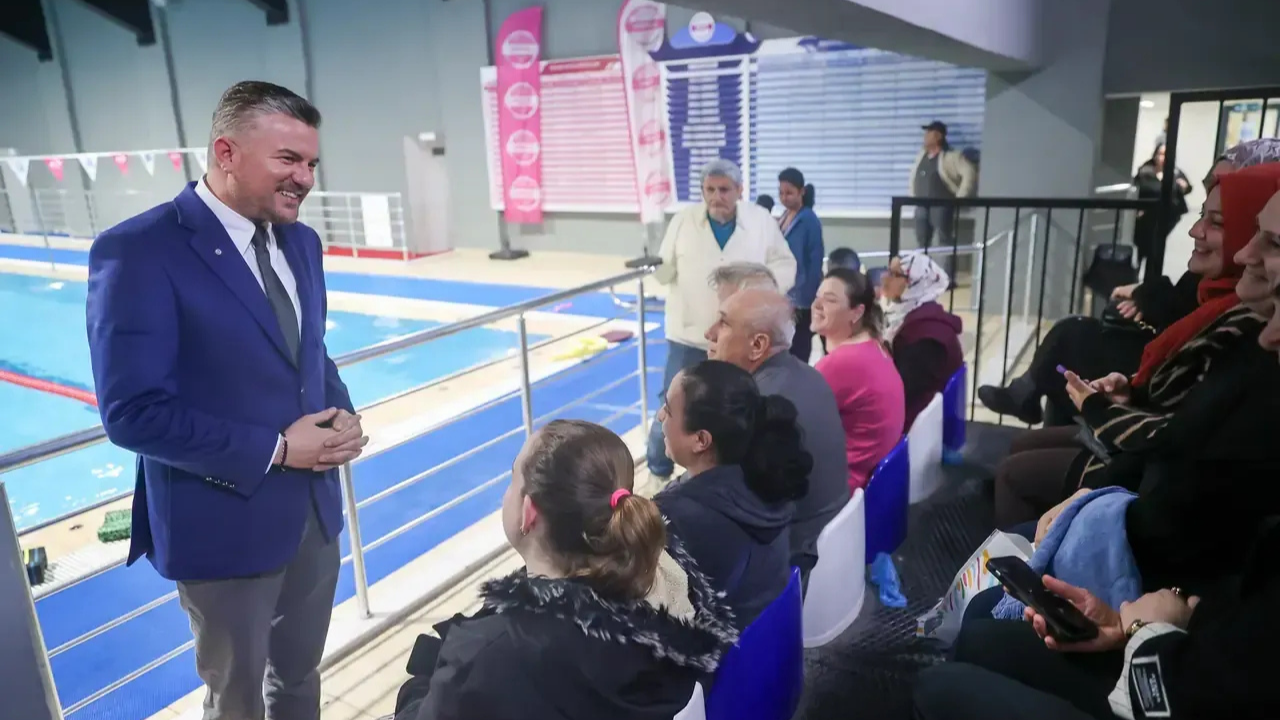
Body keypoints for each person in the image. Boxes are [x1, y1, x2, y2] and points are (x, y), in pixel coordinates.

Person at [85, 81, 369, 720]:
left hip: (313, 514)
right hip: (223, 523)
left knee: (299, 680)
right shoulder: (140, 251)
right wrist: (277, 449)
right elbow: (132, 413)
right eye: (288, 159)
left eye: (311, 163)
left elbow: (310, 351)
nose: (305, 178)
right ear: (227, 152)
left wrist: (342, 413)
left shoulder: (301, 242)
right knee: (236, 701)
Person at [992, 161, 1280, 529]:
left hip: (1145, 483)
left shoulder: (1245, 329)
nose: (1246, 254)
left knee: (1015, 469)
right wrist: (1130, 395)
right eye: (1202, 217)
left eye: (1220, 223)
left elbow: (1176, 447)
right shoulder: (1218, 302)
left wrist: (1099, 411)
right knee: (1021, 443)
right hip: (1143, 462)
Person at [394, 421, 737, 720]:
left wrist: (423, 680)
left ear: (528, 512)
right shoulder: (671, 582)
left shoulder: (492, 655)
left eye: (512, 478)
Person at [978, 137, 1280, 426]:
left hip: (1148, 409)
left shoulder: (1246, 314)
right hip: (1145, 395)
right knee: (1070, 349)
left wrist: (1147, 299)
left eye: (1220, 217)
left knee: (1070, 339)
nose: (1196, 230)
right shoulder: (1223, 288)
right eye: (1205, 209)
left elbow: (1180, 429)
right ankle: (1033, 405)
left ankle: (1030, 401)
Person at [914, 512, 1278, 720]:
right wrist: (1169, 621)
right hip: (1189, 662)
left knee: (935, 687)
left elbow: (1204, 693)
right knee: (981, 639)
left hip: (1178, 691)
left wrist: (1144, 631)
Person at [648, 159, 797, 479]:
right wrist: (653, 264)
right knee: (671, 404)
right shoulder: (683, 221)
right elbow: (664, 269)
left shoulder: (760, 221)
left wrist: (762, 297)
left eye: (725, 190)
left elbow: (786, 265)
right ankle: (658, 470)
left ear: (740, 190)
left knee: (730, 406)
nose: (717, 197)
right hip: (688, 335)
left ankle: (719, 473)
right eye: (710, 190)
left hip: (739, 339)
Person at [705, 286, 850, 581]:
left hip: (796, 559)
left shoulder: (755, 408)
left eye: (723, 323)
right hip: (831, 544)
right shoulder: (809, 375)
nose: (709, 333)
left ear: (758, 345)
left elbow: (714, 503)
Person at [654, 360, 811, 628]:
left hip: (719, 647)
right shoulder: (769, 477)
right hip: (767, 637)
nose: (660, 416)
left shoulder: (676, 518)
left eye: (668, 410)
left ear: (701, 440)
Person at [811, 269, 905, 490]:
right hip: (873, 481)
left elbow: (796, 424)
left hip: (846, 486)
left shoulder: (842, 363)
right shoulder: (874, 345)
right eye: (817, 297)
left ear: (856, 312)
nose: (816, 305)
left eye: (830, 300)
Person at [882, 253, 963, 431]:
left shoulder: (924, 336)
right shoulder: (916, 314)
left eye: (894, 274)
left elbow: (901, 390)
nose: (884, 278)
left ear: (914, 282)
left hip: (916, 423)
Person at [908, 121, 977, 257]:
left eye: (929, 133)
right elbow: (913, 175)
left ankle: (945, 269)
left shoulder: (951, 156)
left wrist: (960, 196)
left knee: (944, 241)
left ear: (938, 136)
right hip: (921, 205)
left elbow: (969, 172)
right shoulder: (922, 155)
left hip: (941, 206)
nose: (925, 136)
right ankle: (923, 268)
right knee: (922, 242)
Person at [777, 167, 824, 363]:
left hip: (802, 295)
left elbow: (815, 262)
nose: (784, 197)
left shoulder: (809, 220)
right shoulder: (784, 216)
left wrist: (806, 299)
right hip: (785, 290)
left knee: (799, 347)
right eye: (781, 193)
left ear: (801, 192)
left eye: (789, 193)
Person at [1132, 144, 1192, 267]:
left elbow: (1187, 188)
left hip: (1168, 215)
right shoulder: (1145, 171)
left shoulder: (1175, 172)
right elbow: (1140, 189)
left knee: (1156, 247)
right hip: (1147, 215)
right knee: (1145, 245)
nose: (1162, 157)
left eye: (1165, 154)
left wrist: (1184, 187)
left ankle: (1151, 272)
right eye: (1160, 154)